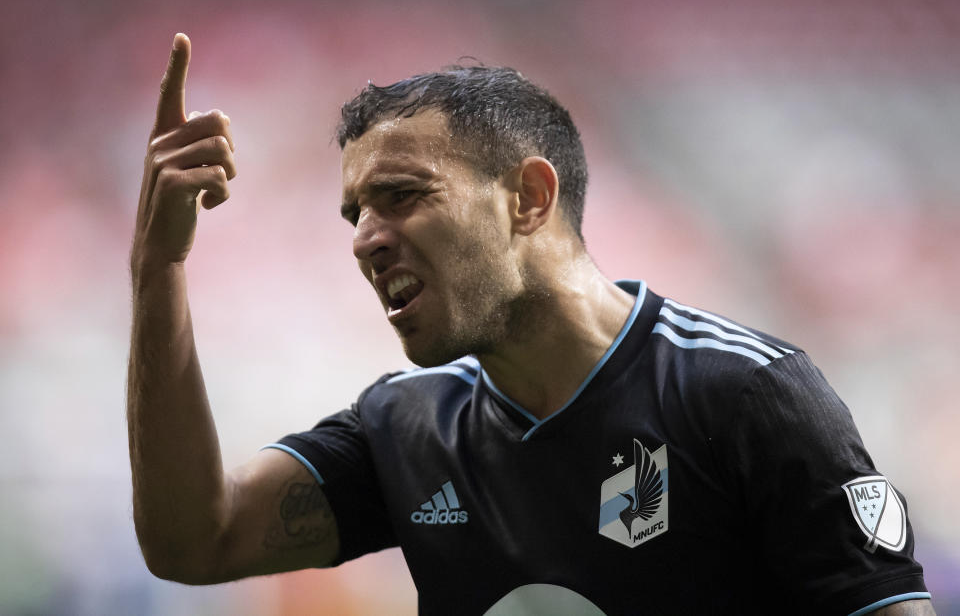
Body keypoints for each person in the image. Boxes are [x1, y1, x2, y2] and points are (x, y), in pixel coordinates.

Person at [128, 33, 935, 615]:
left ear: (529, 198)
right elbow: (195, 540)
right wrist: (157, 269)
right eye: (355, 215)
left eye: (403, 195)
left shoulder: (743, 395)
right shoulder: (406, 425)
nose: (367, 239)